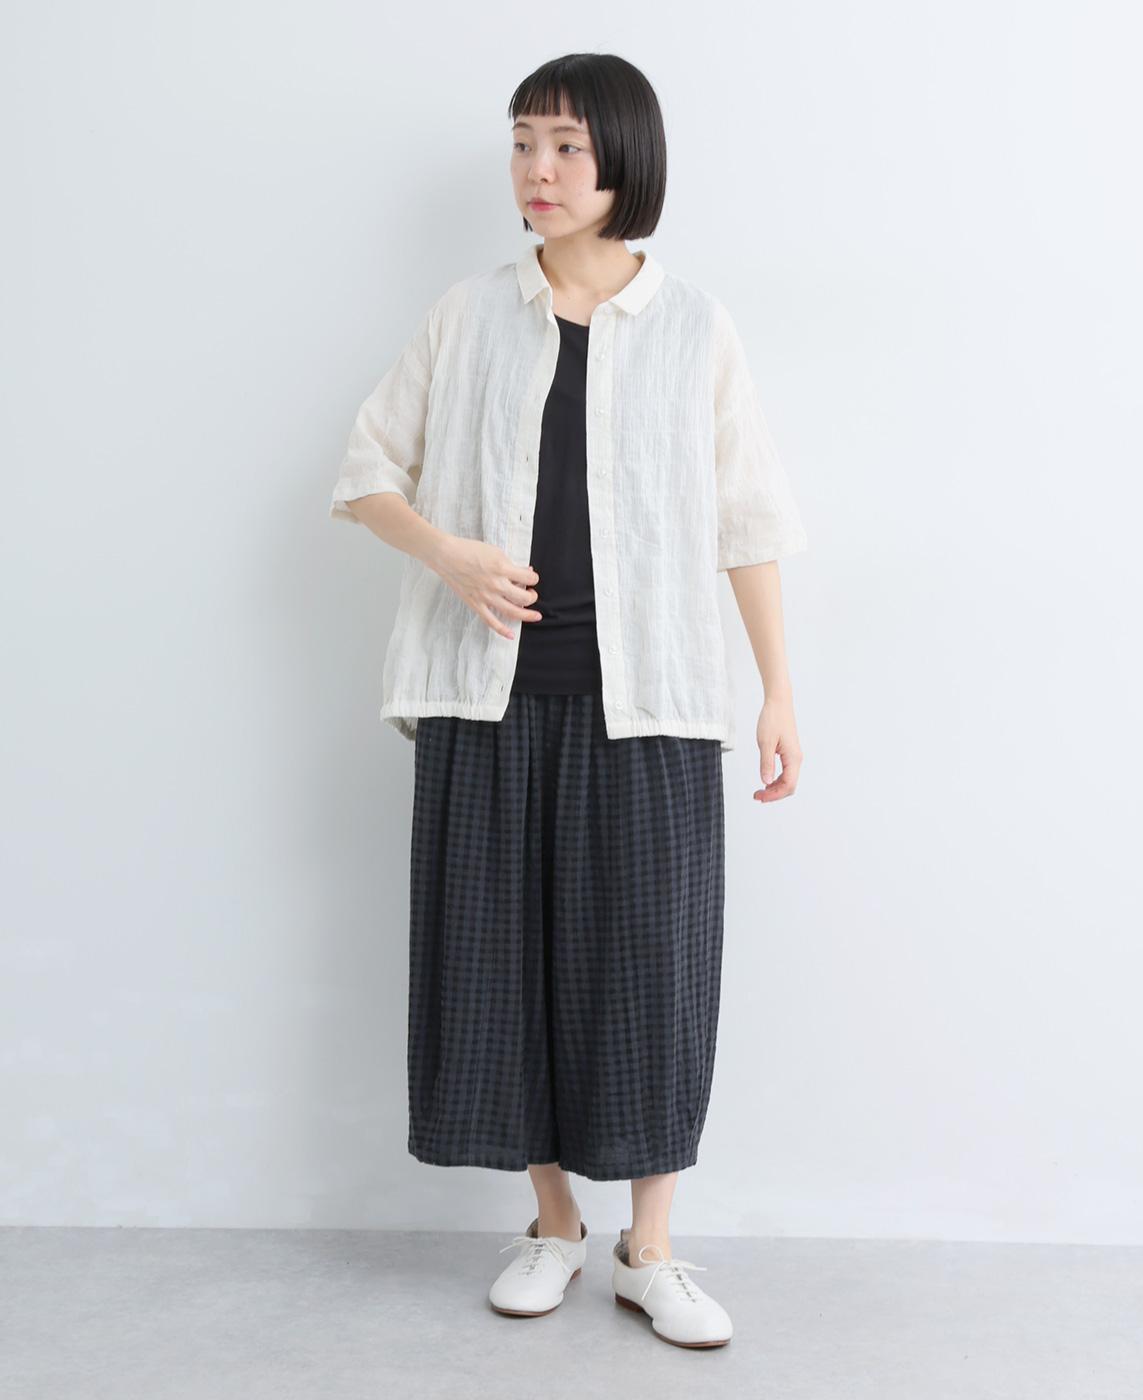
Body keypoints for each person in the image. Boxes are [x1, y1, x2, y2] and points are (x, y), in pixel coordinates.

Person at [328, 52, 808, 1351]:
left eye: (565, 147)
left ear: (623, 163)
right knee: (503, 964)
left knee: (652, 970)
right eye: (523, 143)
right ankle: (553, 1223)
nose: (536, 172)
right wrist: (452, 555)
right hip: (485, 702)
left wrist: (777, 691)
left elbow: (750, 519)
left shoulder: (694, 326)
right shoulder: (468, 316)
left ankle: (652, 1247)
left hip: (652, 708)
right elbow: (366, 472)